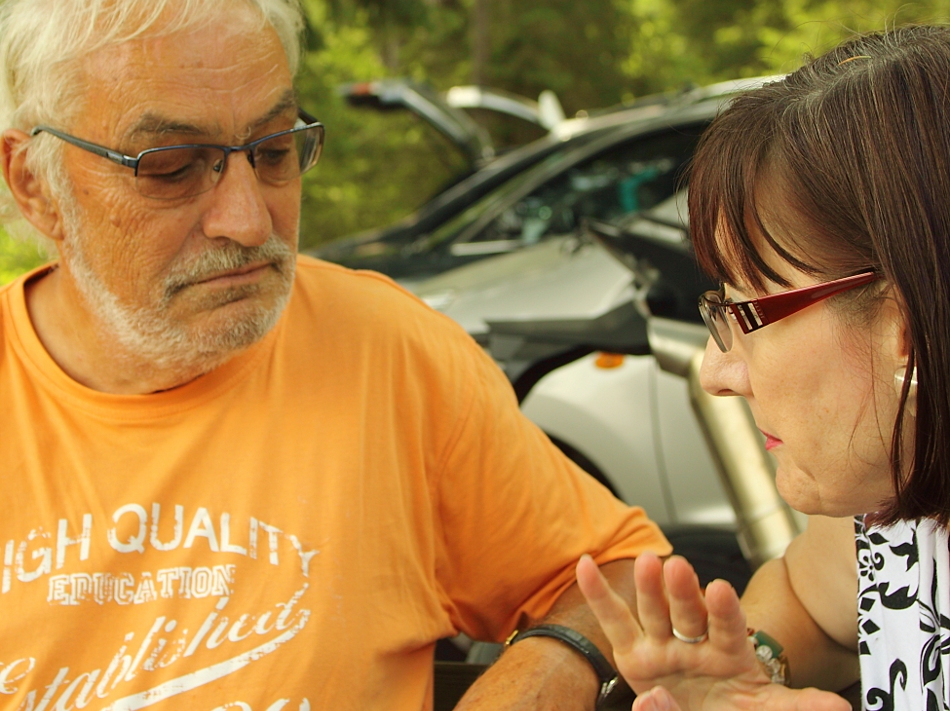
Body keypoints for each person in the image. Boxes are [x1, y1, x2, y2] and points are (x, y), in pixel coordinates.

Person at [0, 1, 672, 709]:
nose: (249, 218)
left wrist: (551, 666)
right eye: (169, 167)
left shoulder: (388, 354)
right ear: (34, 184)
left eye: (273, 151)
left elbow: (628, 573)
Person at [576, 24, 950, 711]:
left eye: (747, 315)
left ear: (907, 331)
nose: (717, 371)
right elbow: (810, 600)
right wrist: (750, 669)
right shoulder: (890, 492)